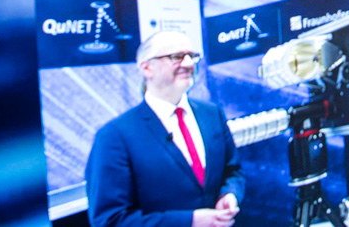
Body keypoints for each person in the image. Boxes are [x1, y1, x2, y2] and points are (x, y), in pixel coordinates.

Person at [86, 30, 245, 227]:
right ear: (146, 68)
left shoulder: (212, 114)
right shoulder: (114, 137)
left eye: (191, 56)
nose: (188, 64)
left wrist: (229, 194)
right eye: (176, 57)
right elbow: (110, 220)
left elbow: (233, 170)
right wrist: (190, 221)